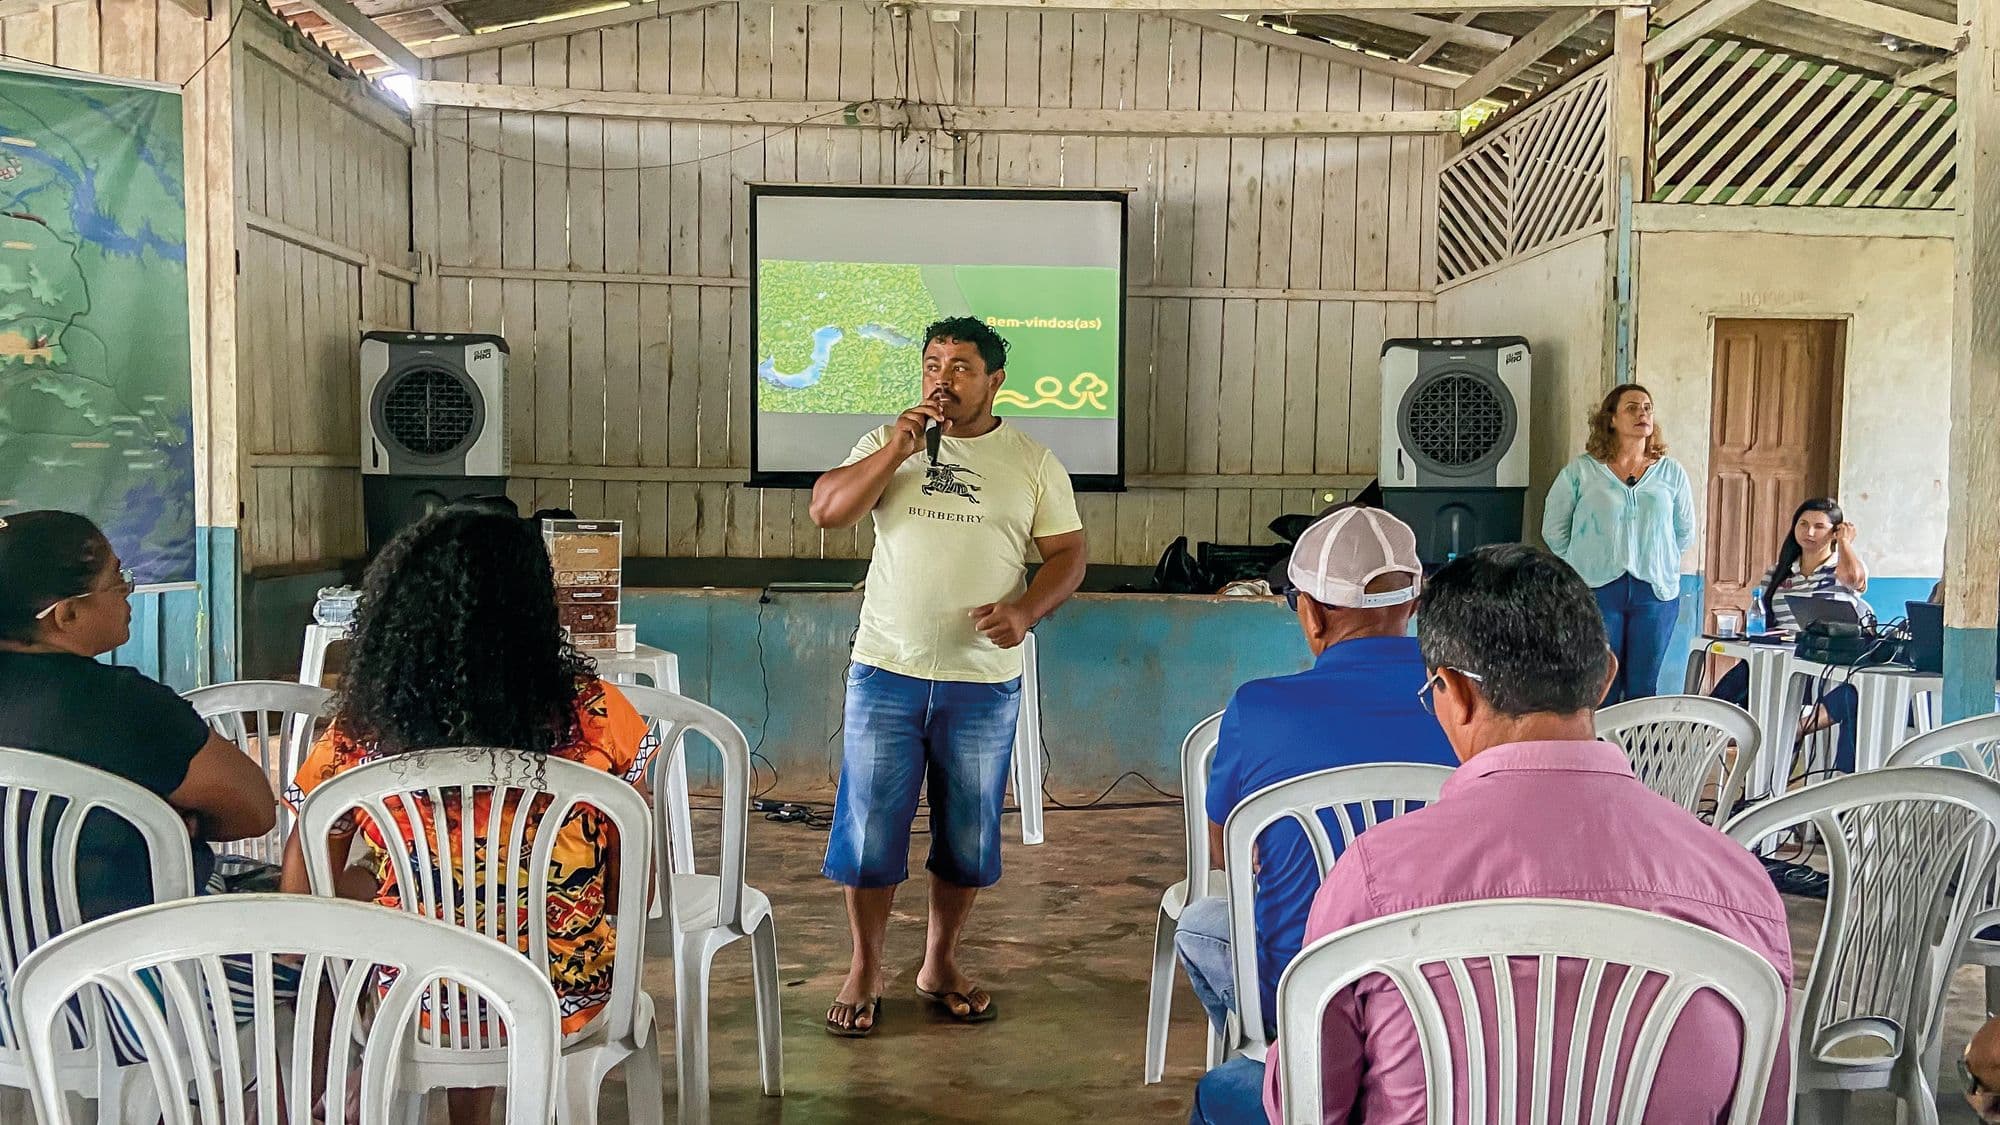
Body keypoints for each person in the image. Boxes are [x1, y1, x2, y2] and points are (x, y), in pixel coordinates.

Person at [1250, 544, 1792, 1124]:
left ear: (1454, 693)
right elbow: (1766, 1105)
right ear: (1606, 676)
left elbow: (1306, 1106)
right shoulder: (1738, 885)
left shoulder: (1376, 876)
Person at [279, 506, 653, 1125]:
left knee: (412, 919)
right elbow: (632, 896)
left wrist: (396, 882)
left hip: (413, 999)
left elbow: (301, 898)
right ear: (536, 604)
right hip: (565, 997)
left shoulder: (360, 735)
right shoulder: (598, 715)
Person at [809, 316, 1088, 1037]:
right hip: (886, 670)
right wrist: (898, 447)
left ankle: (939, 961)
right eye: (933, 363)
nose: (943, 378)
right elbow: (827, 511)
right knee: (870, 831)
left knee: (968, 835)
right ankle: (866, 965)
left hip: (981, 681)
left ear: (995, 381)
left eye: (962, 366)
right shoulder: (885, 443)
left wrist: (1025, 611)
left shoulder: (1031, 461)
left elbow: (1068, 554)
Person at [1177, 506, 1455, 1076]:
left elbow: (1225, 851)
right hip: (1444, 988)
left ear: (1310, 614)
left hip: (1301, 987)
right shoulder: (1469, 706)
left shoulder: (1258, 708)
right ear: (1413, 603)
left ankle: (1276, 1069)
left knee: (1199, 924)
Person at [0, 510, 277, 922]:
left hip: (18, 968)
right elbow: (255, 811)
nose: (129, 591)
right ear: (66, 615)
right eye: (117, 580)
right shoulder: (125, 705)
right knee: (334, 943)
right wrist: (166, 822)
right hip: (140, 957)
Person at [1543, 383, 1696, 704]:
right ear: (1611, 419)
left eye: (1647, 408)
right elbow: (1554, 530)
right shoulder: (1582, 471)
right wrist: (1584, 564)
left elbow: (1684, 532)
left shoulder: (1670, 472)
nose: (1642, 413)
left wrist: (1657, 559)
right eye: (1632, 407)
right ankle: (1600, 754)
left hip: (1655, 593)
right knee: (1601, 685)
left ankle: (1638, 754)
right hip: (1597, 591)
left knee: (1644, 688)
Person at [1712, 498, 1870, 774]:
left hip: (1821, 667)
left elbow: (1855, 579)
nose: (1809, 533)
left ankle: (1792, 732)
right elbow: (1760, 615)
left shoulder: (1842, 567)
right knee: (1744, 673)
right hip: (1780, 660)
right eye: (1803, 524)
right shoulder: (1780, 571)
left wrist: (1845, 543)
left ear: (1835, 532)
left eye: (1819, 527)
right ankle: (1701, 729)